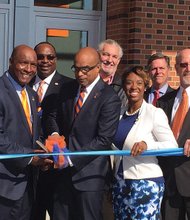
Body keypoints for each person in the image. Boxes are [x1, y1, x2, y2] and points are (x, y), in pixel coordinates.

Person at [44, 46, 121, 220]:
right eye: (76, 69)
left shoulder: (109, 97)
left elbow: (104, 139)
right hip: (62, 177)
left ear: (98, 68)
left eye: (85, 69)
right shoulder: (67, 89)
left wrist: (71, 158)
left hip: (89, 178)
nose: (80, 74)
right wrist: (55, 135)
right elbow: (52, 117)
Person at [112, 66, 178, 220]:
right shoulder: (119, 114)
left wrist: (148, 145)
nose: (134, 87)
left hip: (145, 184)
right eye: (129, 83)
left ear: (145, 86)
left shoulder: (154, 113)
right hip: (120, 183)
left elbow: (172, 145)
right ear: (123, 86)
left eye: (139, 83)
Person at [0, 44, 53, 220]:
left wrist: (44, 153)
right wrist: (31, 157)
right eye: (23, 63)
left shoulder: (31, 94)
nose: (29, 69)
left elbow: (32, 134)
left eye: (33, 65)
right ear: (10, 62)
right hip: (5, 184)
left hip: (28, 184)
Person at [30, 41, 72, 220]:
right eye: (40, 57)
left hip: (57, 168)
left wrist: (57, 155)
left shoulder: (69, 86)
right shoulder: (24, 83)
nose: (45, 61)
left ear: (56, 59)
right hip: (29, 166)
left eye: (50, 57)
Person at [157, 48, 190, 220]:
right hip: (169, 182)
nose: (188, 69)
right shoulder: (164, 102)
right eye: (183, 65)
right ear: (176, 68)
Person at [98, 39, 127, 107]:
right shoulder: (88, 82)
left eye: (114, 57)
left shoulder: (124, 86)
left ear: (118, 61)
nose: (110, 60)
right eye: (106, 54)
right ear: (98, 56)